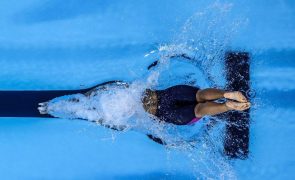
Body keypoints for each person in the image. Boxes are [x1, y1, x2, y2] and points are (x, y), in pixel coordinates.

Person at [142, 85, 250, 125]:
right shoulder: (130, 89)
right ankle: (228, 94)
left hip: (164, 113)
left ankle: (227, 106)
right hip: (164, 94)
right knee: (199, 95)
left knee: (198, 111)